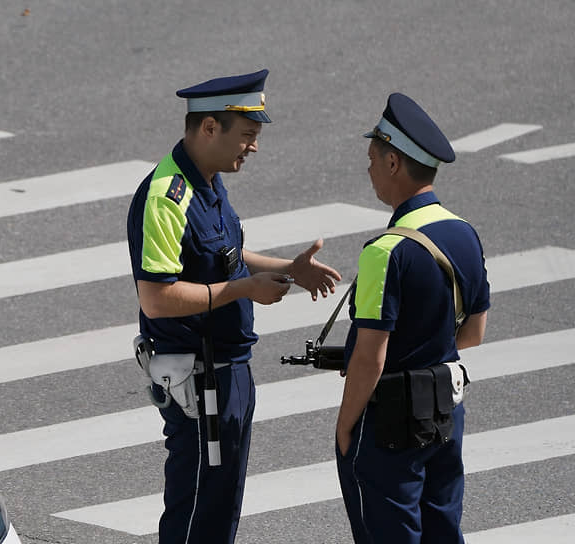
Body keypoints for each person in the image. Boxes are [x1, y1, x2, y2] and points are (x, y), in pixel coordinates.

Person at [126, 69, 341, 544]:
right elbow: (157, 298)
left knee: (221, 510)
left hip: (229, 373)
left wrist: (289, 268)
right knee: (197, 512)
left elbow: (220, 254)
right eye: (246, 135)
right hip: (198, 379)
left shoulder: (205, 179)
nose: (254, 147)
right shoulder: (167, 196)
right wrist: (244, 290)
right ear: (209, 128)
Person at [335, 92, 491, 543]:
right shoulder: (464, 233)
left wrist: (345, 429)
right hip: (445, 412)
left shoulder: (385, 251)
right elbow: (475, 332)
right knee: (443, 530)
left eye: (371, 159)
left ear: (392, 164)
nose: (367, 170)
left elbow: (370, 357)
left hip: (389, 426)